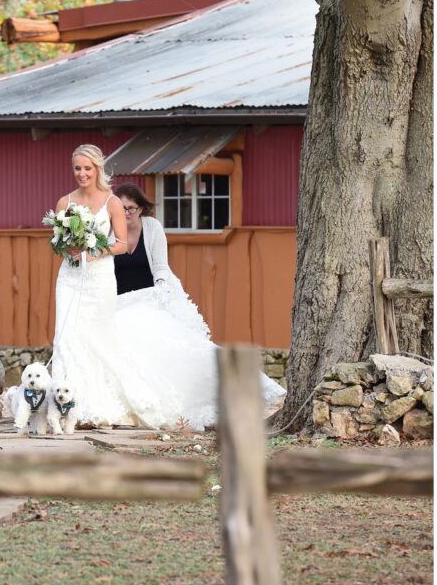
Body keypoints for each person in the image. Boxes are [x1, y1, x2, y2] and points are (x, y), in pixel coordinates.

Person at [112, 183, 286, 429]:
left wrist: (161, 287)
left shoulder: (152, 228)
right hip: (118, 303)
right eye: (121, 207)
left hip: (149, 298)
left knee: (188, 350)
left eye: (131, 208)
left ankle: (243, 390)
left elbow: (160, 265)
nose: (126, 212)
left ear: (141, 209)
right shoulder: (108, 230)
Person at [50, 146, 169, 428]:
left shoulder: (112, 202)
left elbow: (122, 243)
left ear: (98, 169)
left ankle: (98, 404)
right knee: (68, 336)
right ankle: (65, 406)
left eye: (87, 168)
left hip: (100, 278)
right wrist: (70, 248)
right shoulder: (64, 203)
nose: (82, 173)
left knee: (98, 338)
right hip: (70, 278)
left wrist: (94, 250)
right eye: (77, 168)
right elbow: (58, 243)